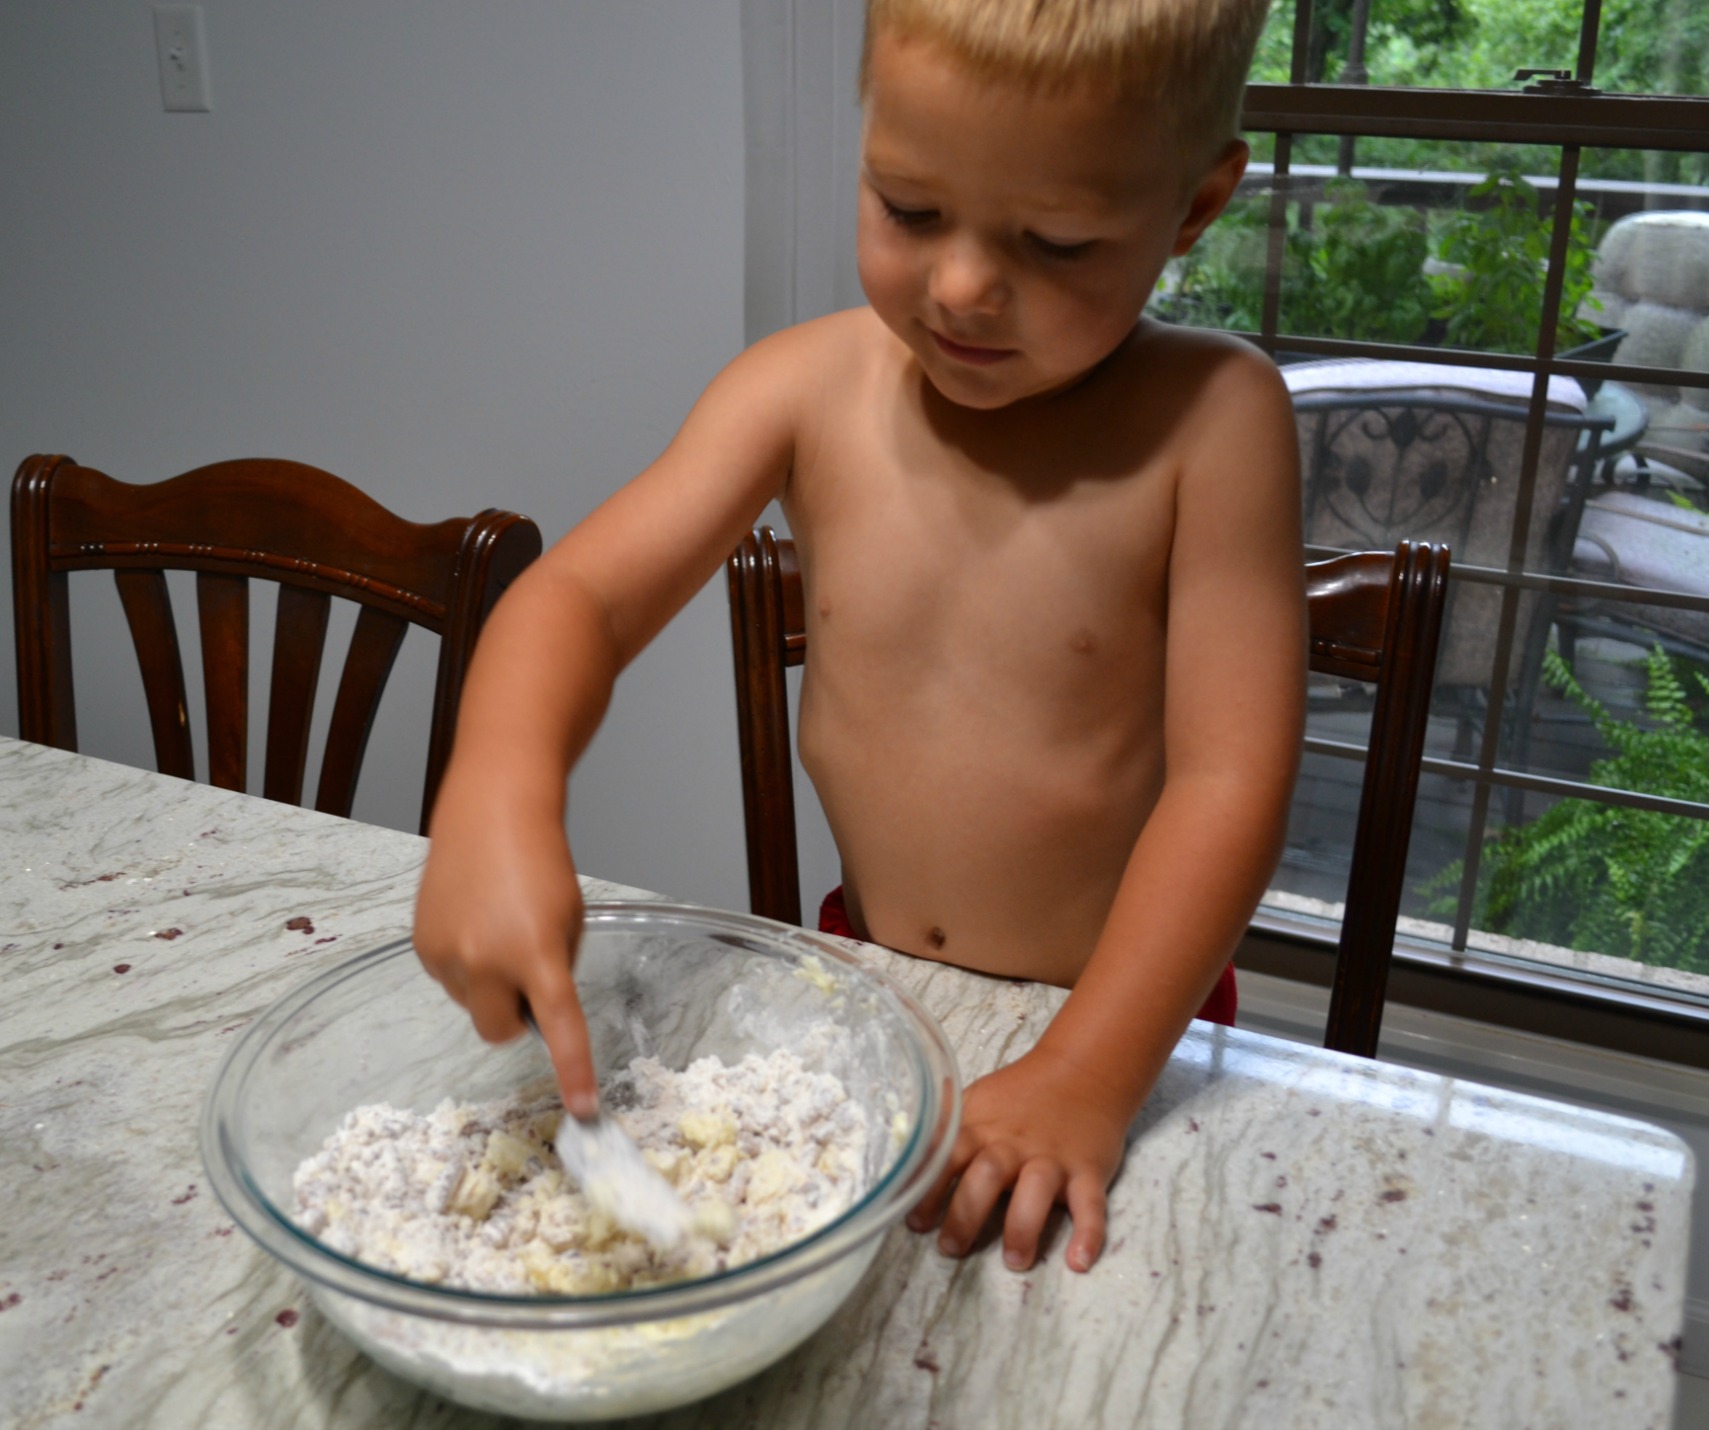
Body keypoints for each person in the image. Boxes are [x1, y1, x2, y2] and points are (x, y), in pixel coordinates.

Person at [413, 0, 1303, 1276]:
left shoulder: (1216, 421)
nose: (960, 287)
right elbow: (580, 599)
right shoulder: (799, 385)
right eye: (909, 207)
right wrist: (494, 787)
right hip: (866, 987)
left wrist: (1087, 1073)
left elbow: (1231, 780)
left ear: (1196, 205)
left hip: (1112, 1015)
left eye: (1054, 242)